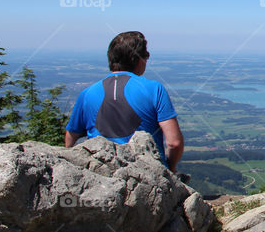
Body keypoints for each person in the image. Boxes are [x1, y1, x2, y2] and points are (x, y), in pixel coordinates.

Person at [65, 31, 184, 172]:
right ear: (139, 60)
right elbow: (174, 143)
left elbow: (71, 139)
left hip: (100, 173)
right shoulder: (154, 89)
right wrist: (169, 169)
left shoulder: (87, 94)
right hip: (147, 172)